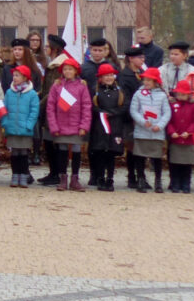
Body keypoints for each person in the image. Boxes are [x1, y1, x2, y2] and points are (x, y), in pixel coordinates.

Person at [46, 57, 92, 192]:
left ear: (76, 71)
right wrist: (53, 126)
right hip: (60, 126)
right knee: (62, 152)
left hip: (76, 126)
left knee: (77, 151)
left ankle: (75, 178)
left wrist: (84, 126)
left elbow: (86, 107)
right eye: (65, 69)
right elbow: (50, 107)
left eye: (70, 69)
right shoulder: (57, 86)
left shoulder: (82, 86)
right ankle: (63, 178)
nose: (67, 71)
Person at [129, 67, 171, 193]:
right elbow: (134, 110)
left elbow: (167, 112)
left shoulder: (162, 95)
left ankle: (158, 180)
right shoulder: (138, 94)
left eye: (149, 80)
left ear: (156, 81)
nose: (146, 82)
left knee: (157, 157)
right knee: (140, 156)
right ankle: (141, 179)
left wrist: (161, 125)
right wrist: (142, 121)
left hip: (156, 131)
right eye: (145, 80)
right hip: (142, 131)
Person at [88, 64, 127, 192]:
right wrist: (101, 112)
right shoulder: (95, 90)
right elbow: (92, 105)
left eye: (111, 75)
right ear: (100, 78)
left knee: (110, 153)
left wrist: (113, 112)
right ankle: (99, 177)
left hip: (115, 125)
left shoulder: (119, 91)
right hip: (100, 126)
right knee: (100, 153)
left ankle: (110, 178)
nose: (109, 78)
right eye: (106, 75)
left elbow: (125, 106)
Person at [37, 34, 68, 186]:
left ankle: (58, 173)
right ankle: (53, 172)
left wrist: (40, 103)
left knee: (54, 143)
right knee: (49, 142)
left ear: (55, 49)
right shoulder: (52, 64)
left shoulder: (59, 66)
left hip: (55, 109)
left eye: (48, 46)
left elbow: (54, 89)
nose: (45, 48)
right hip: (48, 106)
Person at [1, 66, 39, 188]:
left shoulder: (32, 94)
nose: (14, 78)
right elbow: (4, 108)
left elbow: (34, 111)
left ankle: (23, 175)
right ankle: (15, 175)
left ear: (24, 78)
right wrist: (5, 123)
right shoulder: (9, 92)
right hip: (12, 127)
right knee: (14, 153)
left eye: (17, 75)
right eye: (14, 75)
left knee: (23, 153)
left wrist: (29, 125)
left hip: (25, 129)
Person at [167, 75, 194, 193]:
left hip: (188, 140)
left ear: (188, 95)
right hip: (176, 139)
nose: (181, 96)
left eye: (183, 94)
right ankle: (175, 183)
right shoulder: (171, 105)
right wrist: (172, 132)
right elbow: (169, 121)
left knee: (187, 165)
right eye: (179, 94)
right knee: (175, 164)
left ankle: (186, 184)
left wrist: (189, 132)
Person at [118, 46, 146, 188]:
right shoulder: (124, 75)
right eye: (139, 58)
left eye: (143, 57)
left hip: (144, 117)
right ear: (130, 59)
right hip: (130, 117)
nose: (142, 60)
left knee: (141, 147)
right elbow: (125, 97)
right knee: (131, 146)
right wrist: (133, 115)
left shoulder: (143, 73)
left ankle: (141, 175)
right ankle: (132, 176)